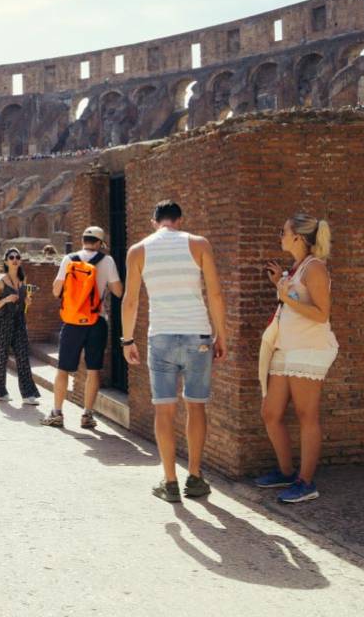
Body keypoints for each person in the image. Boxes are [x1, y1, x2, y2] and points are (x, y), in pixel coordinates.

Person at [121, 201, 228, 503]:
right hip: (198, 334)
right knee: (196, 406)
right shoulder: (199, 244)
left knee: (164, 410)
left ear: (153, 221)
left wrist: (127, 340)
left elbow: (130, 301)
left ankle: (169, 482)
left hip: (162, 337)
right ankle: (194, 477)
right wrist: (222, 334)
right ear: (180, 220)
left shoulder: (138, 250)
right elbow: (216, 293)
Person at [256, 214, 339, 503]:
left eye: (284, 231)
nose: (280, 235)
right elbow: (293, 299)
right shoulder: (297, 267)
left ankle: (306, 482)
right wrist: (281, 281)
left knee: (307, 415)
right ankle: (287, 472)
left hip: (308, 348)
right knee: (271, 412)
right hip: (286, 347)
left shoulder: (315, 268)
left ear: (299, 238)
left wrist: (286, 295)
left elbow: (321, 313)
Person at [43, 226, 123, 429]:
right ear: (99, 243)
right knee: (93, 370)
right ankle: (87, 415)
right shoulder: (107, 260)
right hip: (97, 321)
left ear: (83, 240)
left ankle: (57, 413)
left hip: (72, 322)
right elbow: (118, 291)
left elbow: (55, 290)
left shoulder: (69, 259)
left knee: (63, 369)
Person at [0, 249, 41, 406]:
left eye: (18, 257)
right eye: (11, 257)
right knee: (0, 358)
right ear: (5, 261)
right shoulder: (0, 282)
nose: (15, 259)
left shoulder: (23, 280)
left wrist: (27, 302)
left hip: (19, 322)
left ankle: (28, 394)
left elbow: (24, 302)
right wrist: (5, 300)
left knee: (23, 356)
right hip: (2, 323)